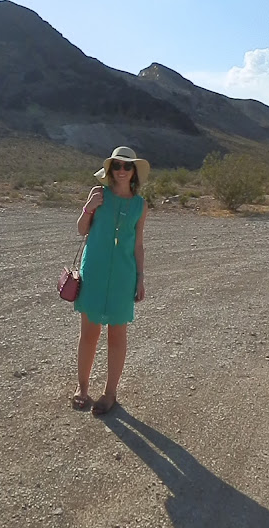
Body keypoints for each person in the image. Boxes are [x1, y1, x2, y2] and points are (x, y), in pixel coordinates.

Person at [72, 146, 150, 414]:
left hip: (122, 276)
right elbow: (81, 229)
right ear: (110, 169)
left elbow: (138, 245)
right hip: (94, 271)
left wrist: (140, 278)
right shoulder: (98, 195)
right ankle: (82, 387)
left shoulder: (140, 205)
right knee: (89, 333)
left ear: (134, 171)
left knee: (117, 335)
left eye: (127, 166)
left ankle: (110, 393)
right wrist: (88, 208)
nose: (121, 170)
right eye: (117, 165)